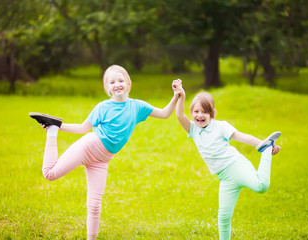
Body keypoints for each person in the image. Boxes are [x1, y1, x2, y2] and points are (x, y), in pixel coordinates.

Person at [29, 65, 183, 240]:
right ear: (107, 88)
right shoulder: (103, 107)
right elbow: (82, 129)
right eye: (112, 82)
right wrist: (58, 126)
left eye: (120, 80)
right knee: (50, 174)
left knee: (94, 204)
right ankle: (52, 131)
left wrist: (176, 95)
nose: (117, 84)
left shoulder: (137, 106)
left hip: (102, 160)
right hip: (89, 147)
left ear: (129, 83)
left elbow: (164, 114)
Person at [173, 83, 281, 240]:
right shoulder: (193, 130)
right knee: (223, 216)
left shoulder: (220, 126)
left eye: (204, 111)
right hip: (224, 177)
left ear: (213, 113)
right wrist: (181, 96)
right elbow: (178, 115)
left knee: (261, 186)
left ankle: (266, 151)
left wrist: (262, 144)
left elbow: (241, 136)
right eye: (196, 111)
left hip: (236, 166)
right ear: (191, 113)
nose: (200, 115)